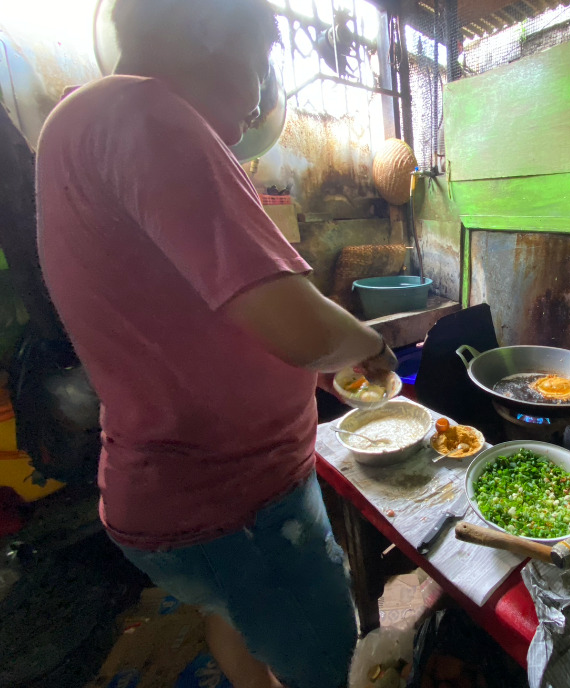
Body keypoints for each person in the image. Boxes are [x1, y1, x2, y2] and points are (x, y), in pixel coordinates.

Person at [34, 1, 394, 686]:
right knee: (331, 663)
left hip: (171, 494)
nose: (260, 97)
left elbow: (179, 314)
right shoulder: (149, 116)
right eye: (260, 64)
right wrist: (364, 340)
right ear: (211, 40)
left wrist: (307, 366)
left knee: (234, 615)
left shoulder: (78, 119)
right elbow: (300, 328)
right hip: (238, 503)